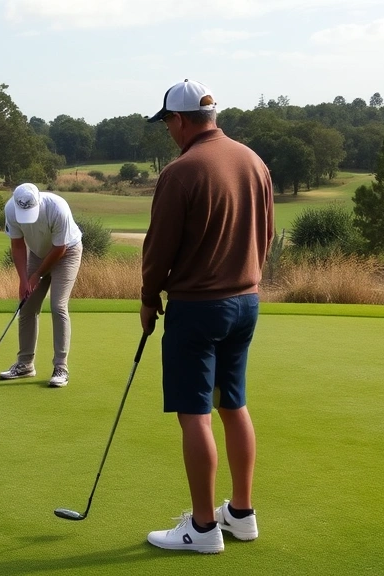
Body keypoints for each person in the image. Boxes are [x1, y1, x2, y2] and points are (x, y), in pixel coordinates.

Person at [140, 79, 274, 553]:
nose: (169, 132)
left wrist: (148, 296)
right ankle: (241, 513)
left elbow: (159, 249)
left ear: (179, 120)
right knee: (232, 403)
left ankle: (201, 528)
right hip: (246, 303)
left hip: (198, 309)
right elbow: (268, 234)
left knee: (194, 413)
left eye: (168, 123)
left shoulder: (182, 171)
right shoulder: (254, 161)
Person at [0, 183, 83, 388]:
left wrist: (37, 275)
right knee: (27, 306)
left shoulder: (57, 207)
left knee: (58, 305)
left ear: (39, 200)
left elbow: (59, 248)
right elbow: (17, 245)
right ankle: (25, 364)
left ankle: (61, 367)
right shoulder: (11, 209)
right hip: (37, 254)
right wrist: (23, 279)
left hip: (67, 252)